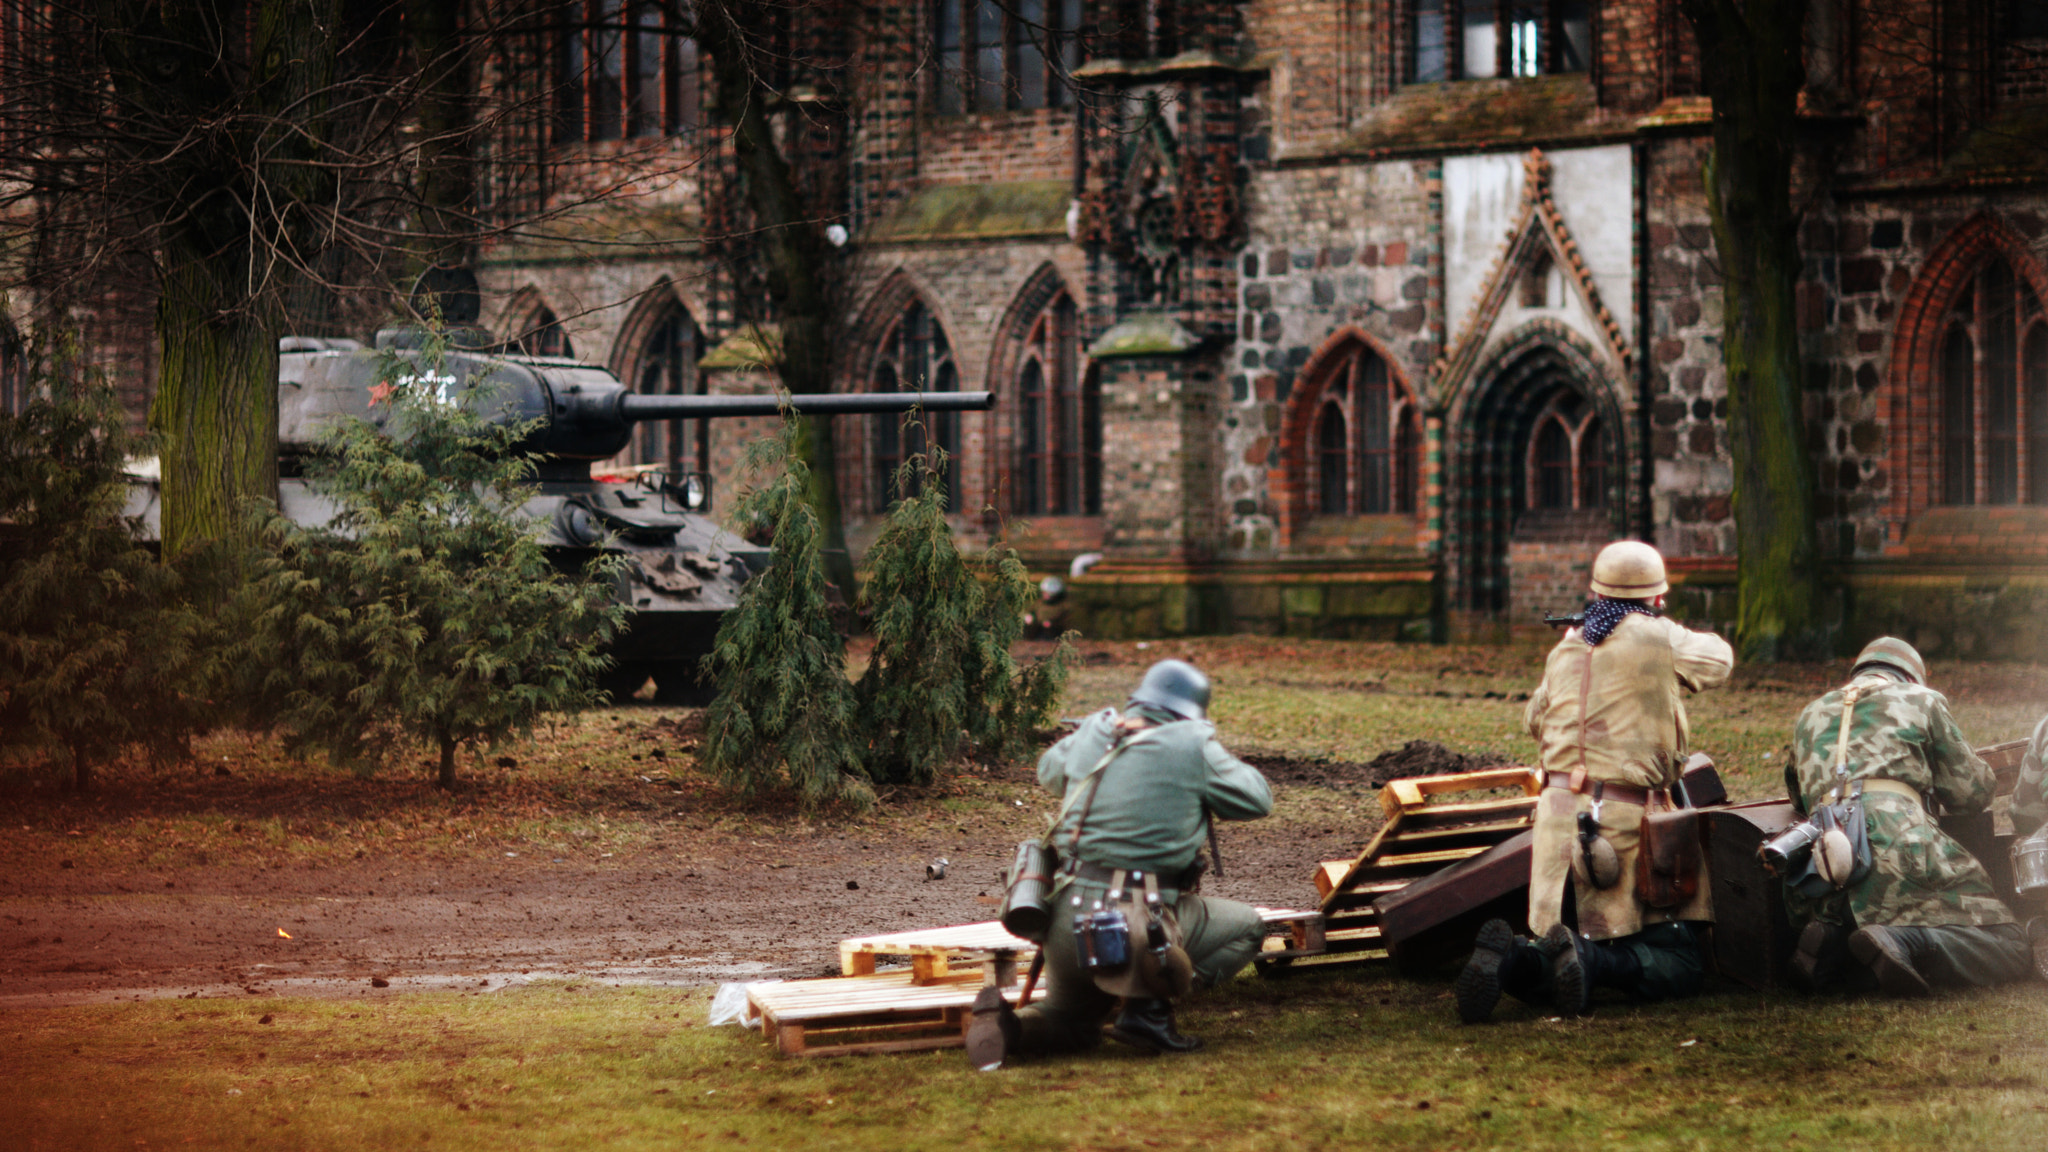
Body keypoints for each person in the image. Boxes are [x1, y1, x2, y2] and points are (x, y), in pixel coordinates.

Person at [1457, 540, 1733, 1023]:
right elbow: (1720, 661)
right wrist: (1661, 629)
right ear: (1657, 597)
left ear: (1597, 592)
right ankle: (1591, 960)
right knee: (1681, 964)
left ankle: (1512, 962)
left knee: (1557, 943)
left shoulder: (1567, 645)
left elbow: (1533, 719)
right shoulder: (1658, 636)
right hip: (1620, 826)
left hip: (1555, 823)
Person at [966, 659, 1273, 1069]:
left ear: (1139, 701)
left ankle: (1011, 1028)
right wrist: (1203, 744)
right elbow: (1257, 800)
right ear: (1190, 712)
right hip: (1134, 927)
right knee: (1248, 926)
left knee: (1071, 1022)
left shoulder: (1096, 730)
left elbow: (1049, 773)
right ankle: (1148, 1008)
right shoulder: (1191, 745)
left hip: (1061, 920)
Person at [1779, 637, 2032, 996]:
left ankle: (1832, 946)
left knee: (1859, 928)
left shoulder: (1810, 713)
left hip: (1822, 868)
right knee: (2010, 940)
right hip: (1900, 852)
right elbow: (1972, 793)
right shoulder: (1922, 701)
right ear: (1912, 679)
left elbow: (1798, 793)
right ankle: (1910, 943)